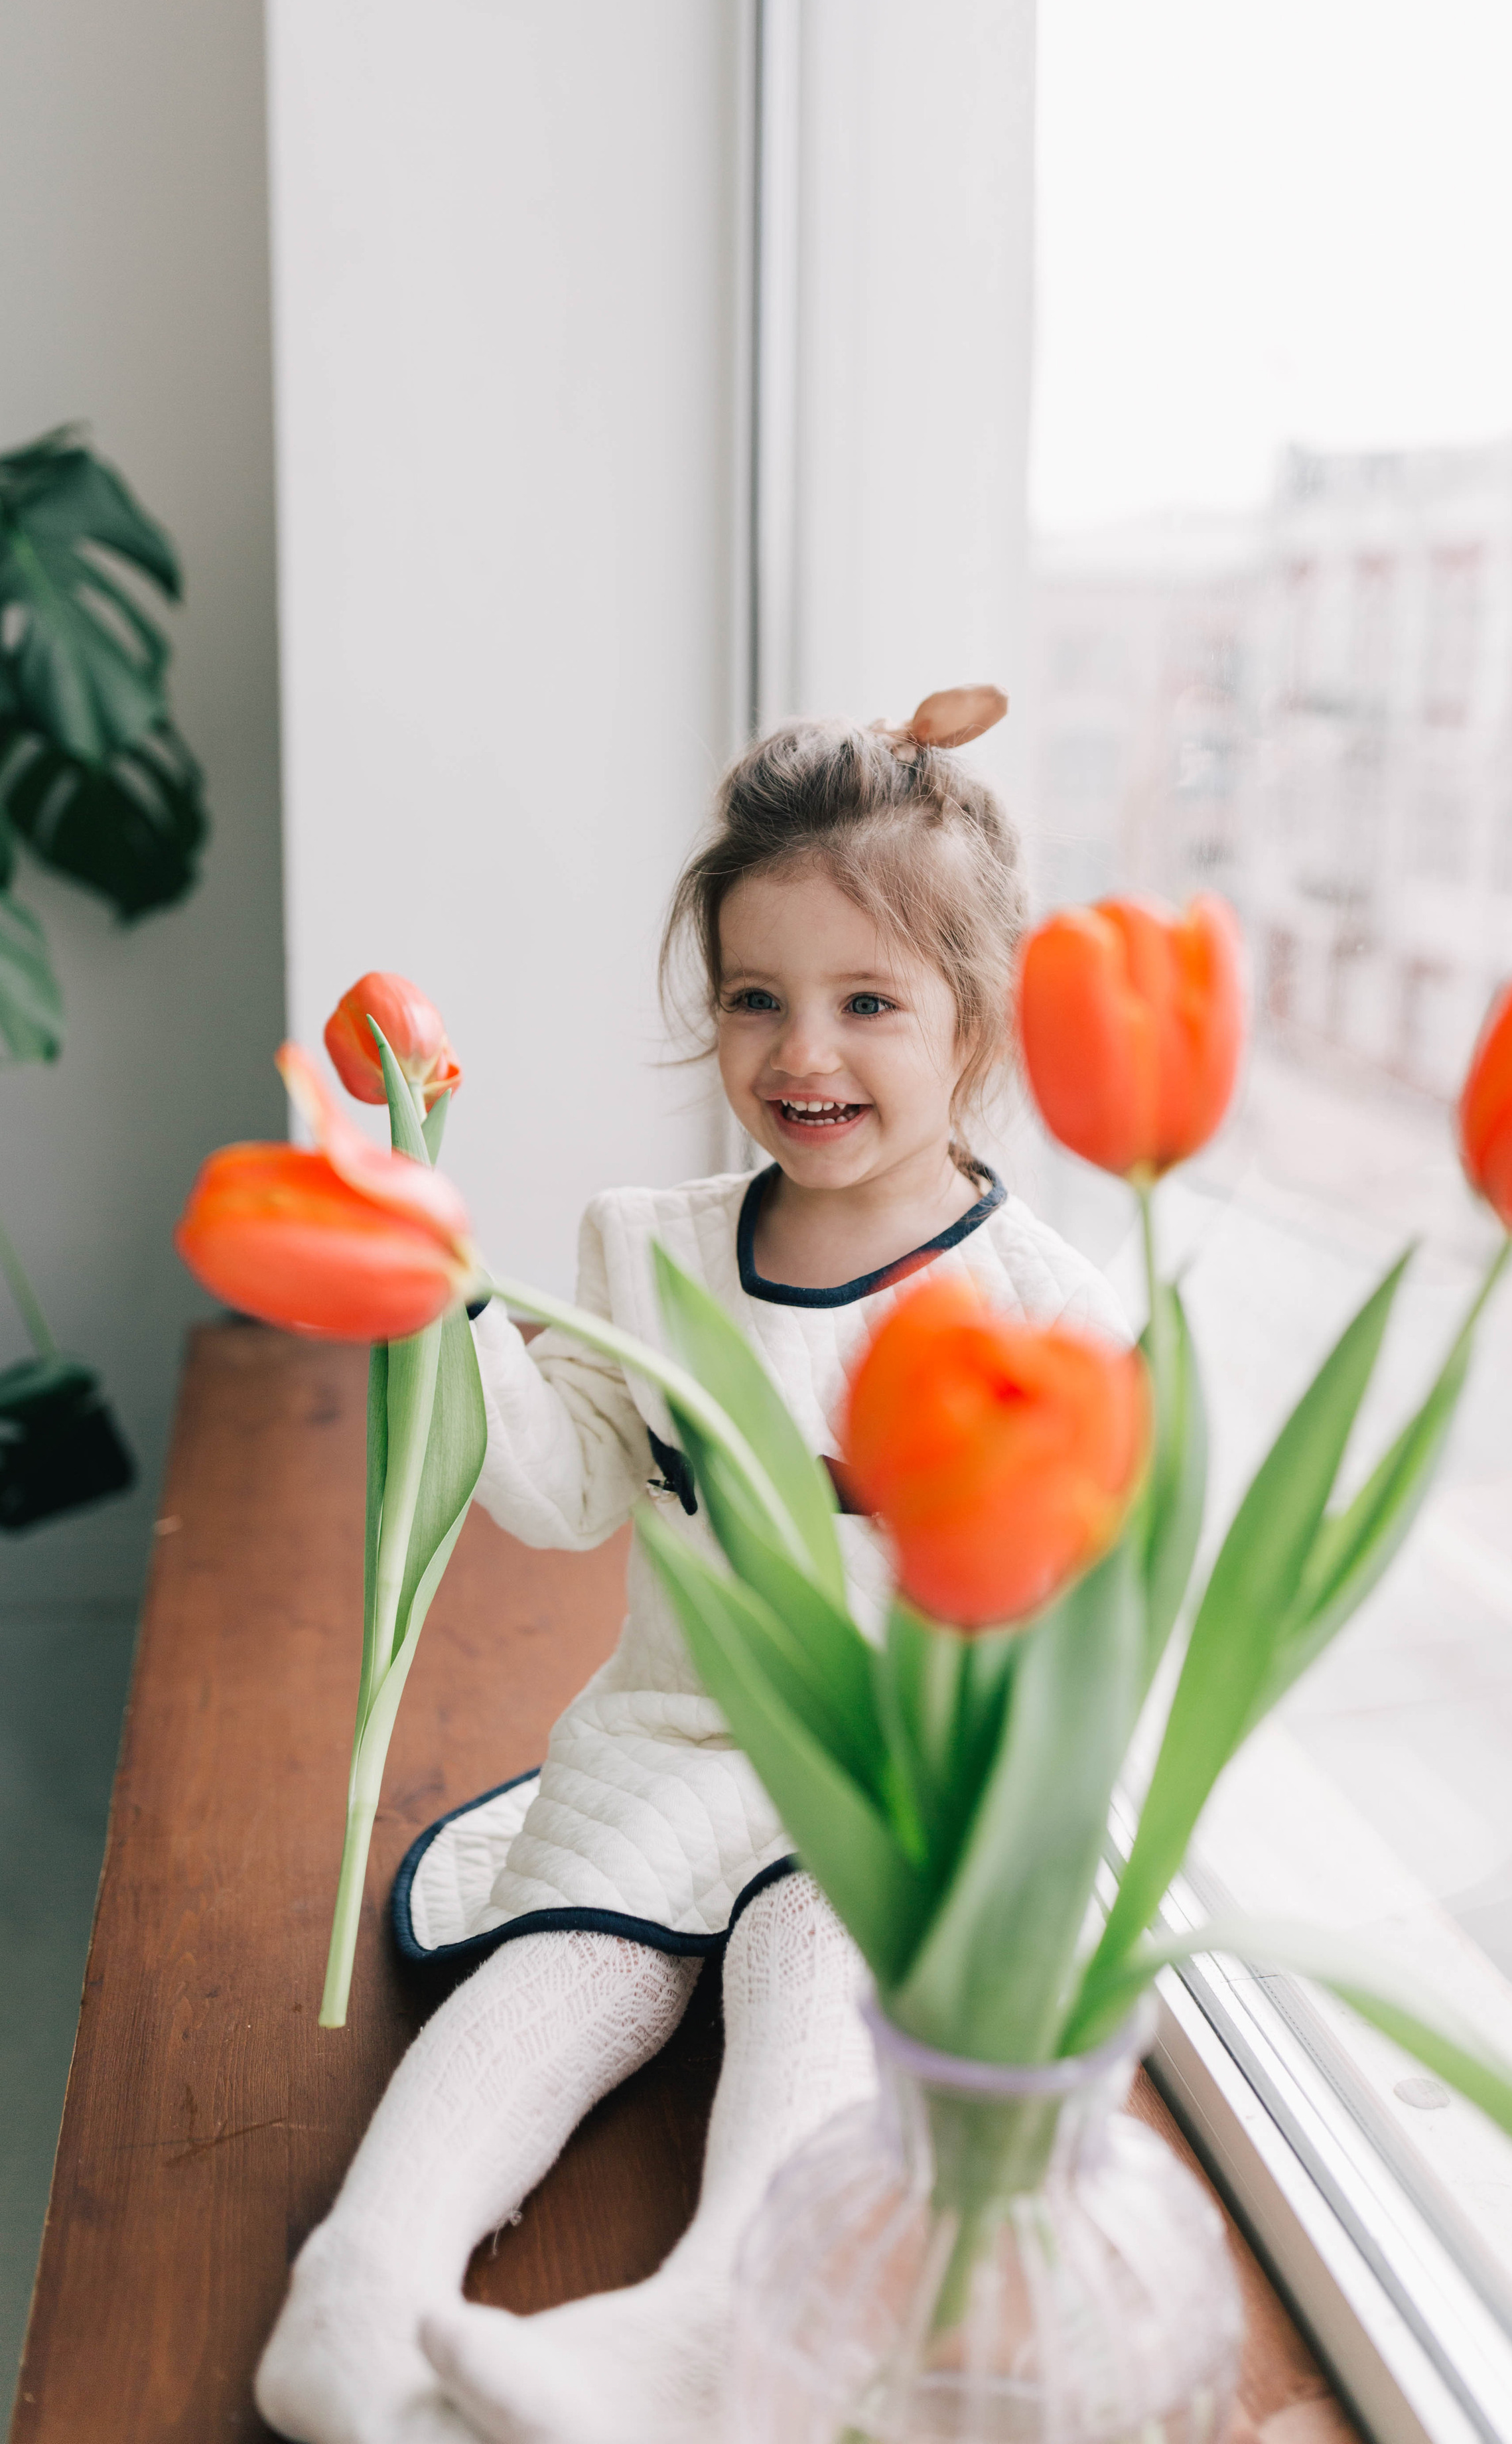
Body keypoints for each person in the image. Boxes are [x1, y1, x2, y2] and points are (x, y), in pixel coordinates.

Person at [257, 691, 1133, 2444]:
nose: (802, 1053)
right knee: (557, 1976)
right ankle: (359, 2289)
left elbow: (1084, 1622)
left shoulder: (1045, 1303)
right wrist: (441, 1302)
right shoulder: (648, 1253)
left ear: (978, 1027)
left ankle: (709, 2331)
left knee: (818, 1998)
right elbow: (568, 1492)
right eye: (755, 998)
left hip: (884, 1785)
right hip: (671, 1748)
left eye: (869, 1002)